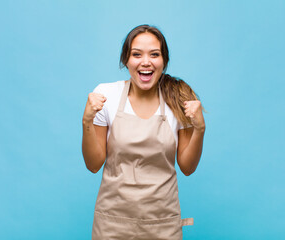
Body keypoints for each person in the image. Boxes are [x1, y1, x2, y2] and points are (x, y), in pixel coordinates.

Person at [82, 24, 205, 240]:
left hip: (162, 223)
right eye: (136, 54)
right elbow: (93, 165)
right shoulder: (106, 95)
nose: (146, 62)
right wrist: (87, 121)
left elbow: (187, 167)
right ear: (125, 60)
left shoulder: (178, 97)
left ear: (164, 61)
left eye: (154, 54)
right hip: (112, 224)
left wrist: (199, 129)